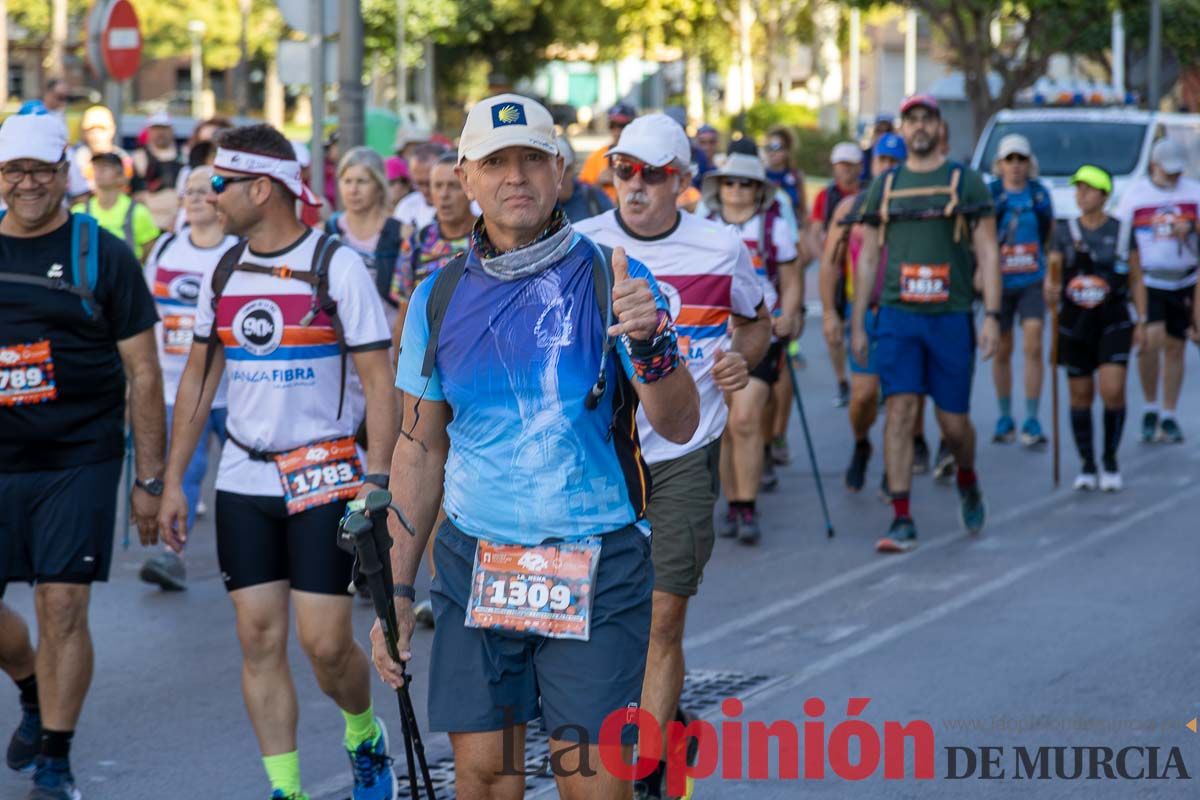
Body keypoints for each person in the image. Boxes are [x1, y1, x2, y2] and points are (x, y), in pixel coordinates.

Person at [375, 94, 700, 800]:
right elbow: (419, 449)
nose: (514, 176)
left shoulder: (615, 278)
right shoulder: (436, 296)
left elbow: (677, 424)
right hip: (476, 563)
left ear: (559, 170)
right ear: (465, 177)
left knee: (593, 785)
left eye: (530, 159)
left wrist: (651, 345)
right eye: (495, 162)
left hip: (597, 561)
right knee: (485, 780)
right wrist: (397, 590)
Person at [156, 124, 400, 800]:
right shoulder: (224, 269)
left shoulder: (337, 264)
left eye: (219, 183)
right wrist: (174, 480)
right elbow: (201, 380)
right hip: (243, 477)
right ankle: (286, 789)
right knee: (258, 639)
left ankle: (363, 735)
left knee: (324, 645)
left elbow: (381, 381)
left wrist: (376, 478)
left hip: (324, 474)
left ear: (261, 189)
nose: (207, 195)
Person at [576, 114, 768, 798]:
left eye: (651, 174)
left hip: (685, 451)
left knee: (662, 618)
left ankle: (648, 774)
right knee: (599, 624)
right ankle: (667, 720)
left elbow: (758, 320)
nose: (633, 186)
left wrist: (741, 361)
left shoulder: (722, 246)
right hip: (602, 456)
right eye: (623, 171)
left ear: (681, 183)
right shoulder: (581, 245)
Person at [0, 112, 165, 800]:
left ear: (65, 172)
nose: (30, 183)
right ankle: (35, 690)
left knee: (61, 604)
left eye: (42, 170)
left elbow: (146, 372)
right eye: (16, 171)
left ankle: (56, 761)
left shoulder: (103, 253)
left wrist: (150, 480)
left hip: (81, 455)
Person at [851, 93, 1000, 554]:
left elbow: (989, 251)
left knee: (954, 425)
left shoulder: (965, 182)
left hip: (951, 318)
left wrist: (992, 314)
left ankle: (968, 477)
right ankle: (901, 518)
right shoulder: (887, 186)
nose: (918, 127)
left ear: (938, 127)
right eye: (910, 119)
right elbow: (869, 255)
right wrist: (858, 321)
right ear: (902, 128)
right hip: (898, 317)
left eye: (926, 119)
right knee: (899, 412)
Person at [137, 166, 240, 591]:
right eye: (189, 192)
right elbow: (145, 315)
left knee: (240, 478)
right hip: (179, 386)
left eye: (205, 191)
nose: (196, 199)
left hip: (235, 388)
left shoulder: (239, 251)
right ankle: (171, 555)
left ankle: (255, 559)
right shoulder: (164, 249)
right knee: (185, 472)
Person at [698, 151, 798, 540]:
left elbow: (790, 279)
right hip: (713, 338)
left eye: (745, 184)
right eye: (729, 182)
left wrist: (790, 314)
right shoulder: (703, 226)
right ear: (718, 188)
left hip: (761, 333)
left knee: (744, 419)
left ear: (758, 191)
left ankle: (748, 505)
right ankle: (734, 503)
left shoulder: (773, 228)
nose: (736, 190)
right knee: (723, 425)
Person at [821, 133, 925, 492]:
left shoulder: (919, 205)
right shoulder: (850, 209)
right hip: (863, 310)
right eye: (883, 161)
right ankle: (862, 444)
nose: (889, 168)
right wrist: (831, 316)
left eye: (896, 162)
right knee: (864, 394)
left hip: (906, 310)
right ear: (873, 164)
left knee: (901, 396)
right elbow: (829, 266)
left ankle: (894, 473)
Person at [1046, 165, 1146, 492]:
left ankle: (1110, 457)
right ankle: (1087, 463)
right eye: (1078, 189)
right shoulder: (1064, 231)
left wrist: (1142, 321)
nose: (1081, 195)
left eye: (1088, 189)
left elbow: (1135, 277)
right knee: (1080, 394)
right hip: (1076, 320)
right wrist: (1050, 290)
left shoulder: (1121, 231)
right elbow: (1054, 274)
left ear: (1103, 194)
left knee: (1112, 389)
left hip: (1113, 317)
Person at [1114, 137, 1199, 444]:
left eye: (1178, 172)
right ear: (1154, 166)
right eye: (1168, 172)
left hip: (1186, 278)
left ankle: (1169, 413)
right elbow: (1122, 239)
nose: (1174, 178)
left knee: (1176, 345)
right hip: (1149, 280)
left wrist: (1190, 227)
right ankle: (1150, 405)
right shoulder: (1135, 195)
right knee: (1151, 340)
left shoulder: (1194, 191)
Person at [988, 133, 1055, 447]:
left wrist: (1051, 275)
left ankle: (1032, 416)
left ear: (1030, 164)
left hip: (1030, 280)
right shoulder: (992, 196)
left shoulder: (1039, 196)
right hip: (1000, 283)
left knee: (1033, 344)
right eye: (1009, 160)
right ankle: (1005, 415)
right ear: (1000, 164)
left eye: (1021, 160)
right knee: (1002, 349)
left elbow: (1048, 236)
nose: (1015, 166)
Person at [810, 141, 866, 408]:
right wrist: (827, 262)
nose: (843, 170)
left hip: (861, 272)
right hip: (837, 271)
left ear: (859, 167)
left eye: (848, 165)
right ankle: (842, 380)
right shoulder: (826, 196)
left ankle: (865, 381)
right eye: (839, 165)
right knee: (832, 330)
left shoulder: (869, 193)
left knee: (861, 327)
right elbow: (815, 231)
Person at [391, 152, 475, 329]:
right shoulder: (416, 244)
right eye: (437, 186)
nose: (444, 195)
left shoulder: (490, 238)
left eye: (453, 186)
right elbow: (404, 317)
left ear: (470, 188)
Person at [326, 146, 404, 309]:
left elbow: (406, 297)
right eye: (347, 181)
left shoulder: (401, 233)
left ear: (379, 185)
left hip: (388, 329)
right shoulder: (327, 231)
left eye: (362, 181)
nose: (353, 190)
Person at [71, 152, 161, 261]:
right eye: (96, 167)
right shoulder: (79, 212)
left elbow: (150, 252)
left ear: (121, 176)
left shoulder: (138, 212)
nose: (99, 171)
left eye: (106, 167)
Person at [133, 111, 185, 231]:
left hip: (177, 223)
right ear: (149, 131)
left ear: (171, 130)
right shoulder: (139, 157)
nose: (160, 133)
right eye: (156, 128)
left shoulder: (184, 156)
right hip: (149, 223)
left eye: (164, 128)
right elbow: (135, 193)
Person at [578, 101, 637, 203]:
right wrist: (598, 182)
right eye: (612, 125)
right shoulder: (597, 156)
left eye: (623, 126)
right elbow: (580, 194)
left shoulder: (643, 156)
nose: (617, 131)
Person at [72, 105, 134, 193]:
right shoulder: (76, 159)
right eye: (91, 129)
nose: (96, 134)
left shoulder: (123, 160)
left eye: (101, 129)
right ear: (83, 133)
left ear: (112, 130)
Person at [555, 134, 613, 224]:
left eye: (561, 171)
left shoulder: (594, 198)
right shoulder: (534, 205)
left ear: (572, 169)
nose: (556, 180)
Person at [392, 142, 445, 229]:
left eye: (430, 183)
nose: (425, 190)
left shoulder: (469, 207)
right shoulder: (406, 207)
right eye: (419, 183)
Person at [763, 126, 807, 223]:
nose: (772, 152)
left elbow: (803, 211)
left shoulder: (796, 176)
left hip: (791, 232)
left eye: (777, 147)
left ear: (787, 150)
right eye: (768, 147)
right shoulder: (760, 175)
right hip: (765, 232)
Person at [860, 113, 894, 182]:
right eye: (879, 130)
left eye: (887, 131)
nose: (883, 135)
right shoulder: (864, 155)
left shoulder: (900, 154)